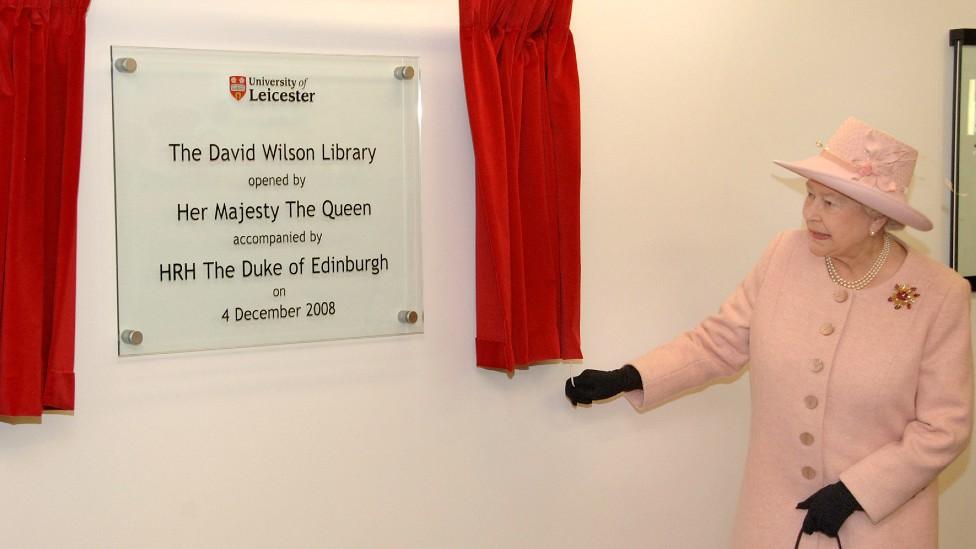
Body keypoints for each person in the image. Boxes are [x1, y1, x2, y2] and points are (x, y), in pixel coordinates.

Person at [566, 117, 973, 548]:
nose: (811, 213)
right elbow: (718, 342)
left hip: (881, 529)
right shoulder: (784, 255)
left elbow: (944, 427)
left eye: (830, 203)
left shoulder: (939, 295)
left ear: (876, 216)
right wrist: (631, 376)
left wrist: (857, 492)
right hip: (775, 520)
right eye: (810, 196)